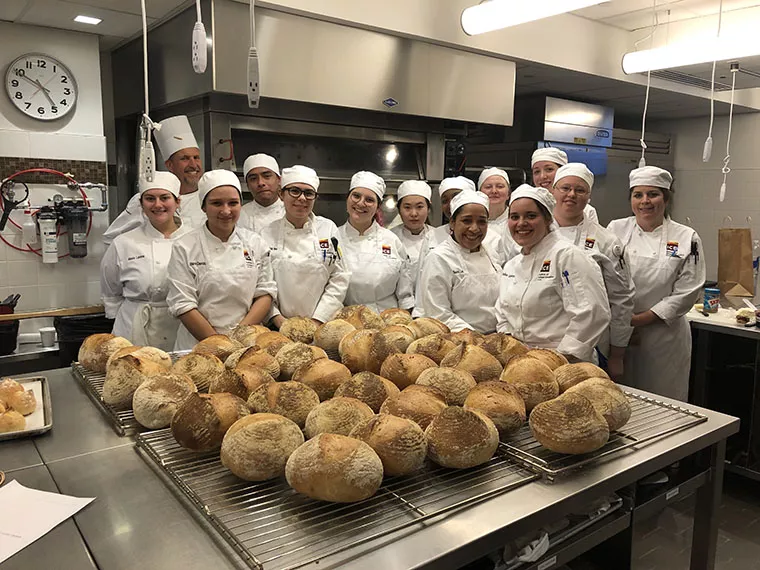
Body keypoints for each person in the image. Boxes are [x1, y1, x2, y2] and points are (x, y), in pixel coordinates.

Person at [607, 166, 705, 401]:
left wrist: (638, 321)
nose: (645, 201)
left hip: (663, 337)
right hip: (619, 335)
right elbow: (602, 277)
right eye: (638, 195)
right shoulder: (614, 229)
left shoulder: (686, 237)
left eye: (653, 194)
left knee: (663, 401)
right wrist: (622, 325)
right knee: (619, 400)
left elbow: (688, 291)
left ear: (666, 198)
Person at [496, 185, 610, 363]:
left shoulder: (567, 256)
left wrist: (559, 358)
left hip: (566, 363)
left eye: (531, 216)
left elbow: (592, 314)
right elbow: (502, 314)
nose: (521, 223)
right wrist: (512, 349)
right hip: (520, 364)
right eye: (514, 217)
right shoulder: (511, 265)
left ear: (548, 219)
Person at [166, 170, 276, 350]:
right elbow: (183, 304)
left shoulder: (255, 243)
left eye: (233, 203)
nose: (226, 211)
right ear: (203, 207)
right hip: (198, 345)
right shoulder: (184, 247)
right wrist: (218, 344)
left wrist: (239, 335)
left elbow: (265, 292)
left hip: (247, 343)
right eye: (217, 203)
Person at [550, 163, 635, 379]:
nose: (571, 195)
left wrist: (617, 354)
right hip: (542, 341)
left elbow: (621, 299)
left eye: (580, 190)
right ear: (553, 191)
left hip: (591, 345)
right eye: (565, 188)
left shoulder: (606, 241)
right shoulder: (535, 235)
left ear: (589, 196)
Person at [100, 172, 190, 351]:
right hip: (134, 328)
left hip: (182, 325)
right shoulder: (123, 242)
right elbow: (111, 292)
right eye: (150, 198)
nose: (157, 205)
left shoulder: (193, 238)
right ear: (141, 204)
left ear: (177, 202)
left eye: (165, 198)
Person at [259, 165, 350, 327]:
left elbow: (340, 277)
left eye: (309, 193)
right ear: (281, 194)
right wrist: (279, 321)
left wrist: (317, 320)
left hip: (322, 325)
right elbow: (262, 284)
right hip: (276, 327)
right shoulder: (266, 233)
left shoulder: (328, 229)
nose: (302, 198)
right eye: (294, 191)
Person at [103, 116, 206, 246]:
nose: (193, 164)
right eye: (184, 158)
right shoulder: (145, 199)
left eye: (196, 157)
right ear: (170, 165)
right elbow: (111, 239)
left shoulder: (207, 198)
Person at [418, 191, 500, 333]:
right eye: (467, 220)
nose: (474, 228)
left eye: (482, 221)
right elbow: (438, 313)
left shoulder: (491, 254)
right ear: (452, 222)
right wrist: (475, 338)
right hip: (458, 340)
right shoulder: (439, 258)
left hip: (496, 337)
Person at [338, 171, 414, 313]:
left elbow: (405, 292)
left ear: (377, 206)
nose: (361, 203)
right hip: (345, 320)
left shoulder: (392, 240)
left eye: (369, 200)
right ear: (347, 199)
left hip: (387, 319)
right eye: (356, 196)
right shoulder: (333, 238)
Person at [531, 147, 599, 224]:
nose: (542, 176)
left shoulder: (586, 210)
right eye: (536, 172)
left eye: (549, 169)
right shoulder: (528, 206)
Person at [390, 180, 434, 273]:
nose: (413, 214)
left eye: (419, 207)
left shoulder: (439, 239)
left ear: (428, 209)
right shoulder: (389, 238)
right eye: (407, 207)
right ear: (399, 210)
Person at [478, 167, 519, 262]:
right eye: (488, 187)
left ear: (509, 194)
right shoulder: (474, 222)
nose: (494, 191)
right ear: (480, 193)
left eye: (500, 186)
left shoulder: (517, 220)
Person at [238, 153, 285, 232]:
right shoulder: (239, 217)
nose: (260, 183)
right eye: (253, 178)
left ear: (279, 180)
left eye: (266, 176)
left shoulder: (292, 214)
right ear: (247, 185)